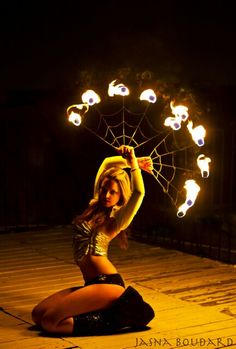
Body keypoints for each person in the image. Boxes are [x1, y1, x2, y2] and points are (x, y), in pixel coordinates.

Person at [31, 145, 155, 336]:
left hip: (108, 284)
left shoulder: (117, 219)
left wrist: (133, 166)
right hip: (92, 284)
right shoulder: (94, 206)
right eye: (104, 189)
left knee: (50, 322)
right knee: (38, 315)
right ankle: (105, 312)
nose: (106, 195)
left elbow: (139, 193)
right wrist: (133, 160)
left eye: (113, 192)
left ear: (120, 195)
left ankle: (119, 318)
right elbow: (107, 163)